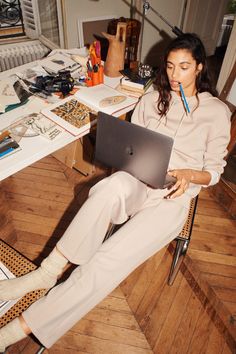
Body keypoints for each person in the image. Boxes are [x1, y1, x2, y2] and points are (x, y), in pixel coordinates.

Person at [0, 33, 231, 351]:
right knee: (109, 187)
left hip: (173, 197)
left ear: (200, 68)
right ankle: (48, 272)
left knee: (104, 263)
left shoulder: (217, 112)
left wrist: (192, 175)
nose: (175, 75)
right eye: (170, 66)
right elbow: (133, 143)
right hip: (139, 179)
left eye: (184, 67)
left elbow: (215, 172)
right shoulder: (153, 97)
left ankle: (16, 331)